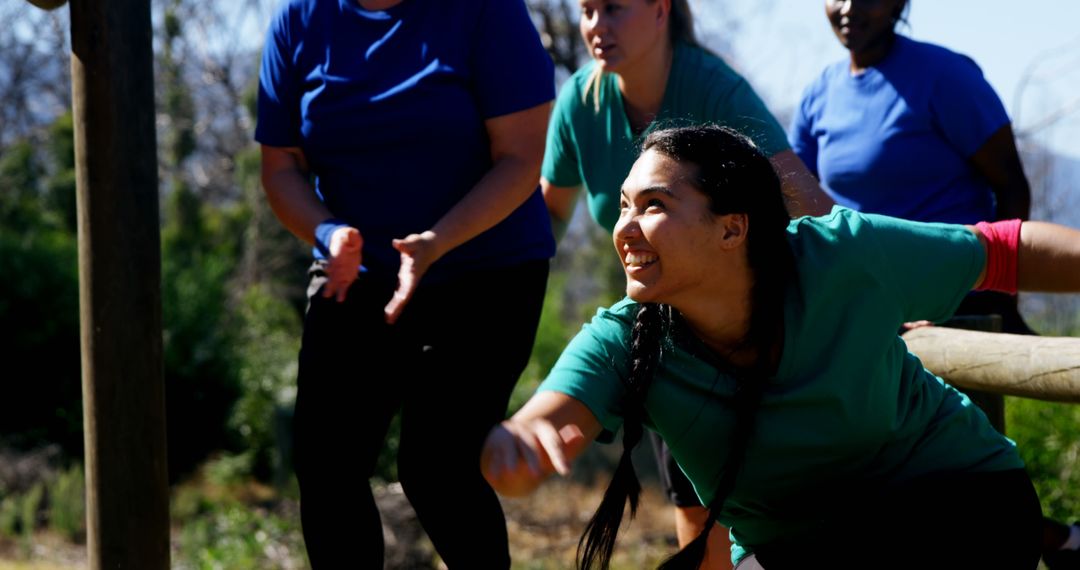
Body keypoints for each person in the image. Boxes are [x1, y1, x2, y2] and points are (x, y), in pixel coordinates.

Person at [482, 125, 1080, 569]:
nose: (625, 230)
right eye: (623, 207)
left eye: (654, 206)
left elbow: (1000, 250)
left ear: (732, 227)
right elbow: (547, 416)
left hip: (953, 499)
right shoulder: (625, 337)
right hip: (796, 547)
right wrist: (518, 447)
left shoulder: (839, 257)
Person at [255, 0, 555, 567]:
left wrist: (437, 241)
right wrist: (325, 231)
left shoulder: (484, 12)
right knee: (325, 464)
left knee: (438, 466)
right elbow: (282, 168)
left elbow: (520, 159)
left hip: (484, 269)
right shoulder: (300, 20)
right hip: (356, 270)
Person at [541, 1, 832, 565]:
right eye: (588, 10)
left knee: (762, 505)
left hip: (754, 328)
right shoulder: (581, 101)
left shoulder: (715, 91)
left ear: (659, 10)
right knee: (695, 506)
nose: (597, 26)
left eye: (615, 9)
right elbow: (545, 218)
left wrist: (862, 293)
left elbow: (808, 206)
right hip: (666, 326)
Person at [789, 2, 1080, 564]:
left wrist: (993, 300)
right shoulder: (818, 93)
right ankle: (1061, 540)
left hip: (954, 296)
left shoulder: (945, 76)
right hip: (863, 303)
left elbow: (1010, 189)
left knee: (954, 477)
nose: (849, 8)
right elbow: (797, 202)